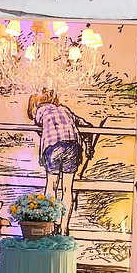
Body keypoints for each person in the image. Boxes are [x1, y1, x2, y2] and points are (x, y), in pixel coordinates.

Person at [28, 90, 87, 234]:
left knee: (51, 186)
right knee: (67, 189)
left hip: (53, 146)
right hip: (72, 145)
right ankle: (64, 227)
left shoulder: (41, 110)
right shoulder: (64, 109)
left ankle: (50, 226)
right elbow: (83, 123)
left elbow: (38, 124)